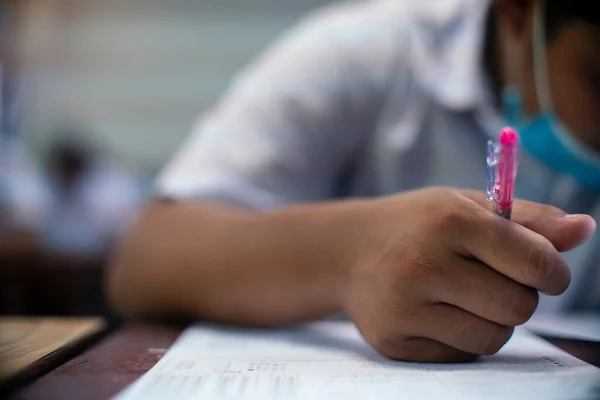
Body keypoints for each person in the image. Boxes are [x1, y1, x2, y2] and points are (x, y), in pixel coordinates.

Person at [107, 0, 600, 362]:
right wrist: (344, 256)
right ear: (518, 12)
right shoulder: (364, 54)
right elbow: (145, 259)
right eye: (598, 79)